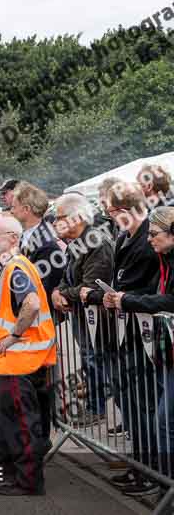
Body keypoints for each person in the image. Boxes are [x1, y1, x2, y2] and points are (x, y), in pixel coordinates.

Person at [0, 214, 56, 496]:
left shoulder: (16, 268)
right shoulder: (11, 266)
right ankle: (12, 473)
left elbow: (32, 304)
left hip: (18, 363)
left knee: (21, 424)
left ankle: (28, 481)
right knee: (10, 422)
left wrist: (12, 336)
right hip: (12, 363)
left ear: (13, 238)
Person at [104, 206, 174, 496]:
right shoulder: (164, 259)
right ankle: (161, 482)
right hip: (166, 350)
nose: (149, 239)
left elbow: (168, 300)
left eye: (155, 234)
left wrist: (128, 301)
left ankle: (164, 485)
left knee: (162, 420)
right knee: (161, 419)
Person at [51, 193, 114, 428]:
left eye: (59, 217)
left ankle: (97, 408)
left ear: (77, 217)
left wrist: (63, 294)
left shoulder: (96, 242)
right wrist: (58, 291)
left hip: (99, 318)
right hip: (83, 316)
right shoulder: (76, 243)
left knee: (98, 361)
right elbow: (69, 277)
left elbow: (90, 285)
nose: (55, 222)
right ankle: (96, 406)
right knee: (91, 359)